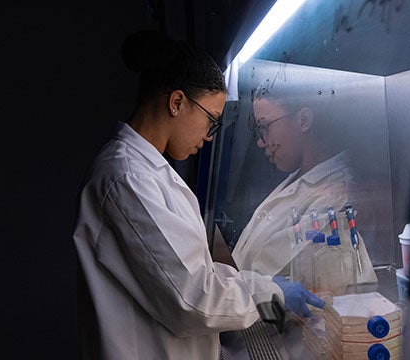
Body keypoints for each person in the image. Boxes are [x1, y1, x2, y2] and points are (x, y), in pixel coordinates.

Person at [72, 30, 324, 360]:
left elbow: (193, 271)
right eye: (211, 121)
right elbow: (192, 297)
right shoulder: (126, 179)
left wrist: (264, 286)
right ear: (177, 102)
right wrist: (272, 294)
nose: (208, 137)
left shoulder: (148, 172)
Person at [231, 78, 378, 286]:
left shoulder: (335, 194)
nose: (260, 141)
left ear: (304, 120)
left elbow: (271, 275)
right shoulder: (299, 178)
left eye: (264, 127)